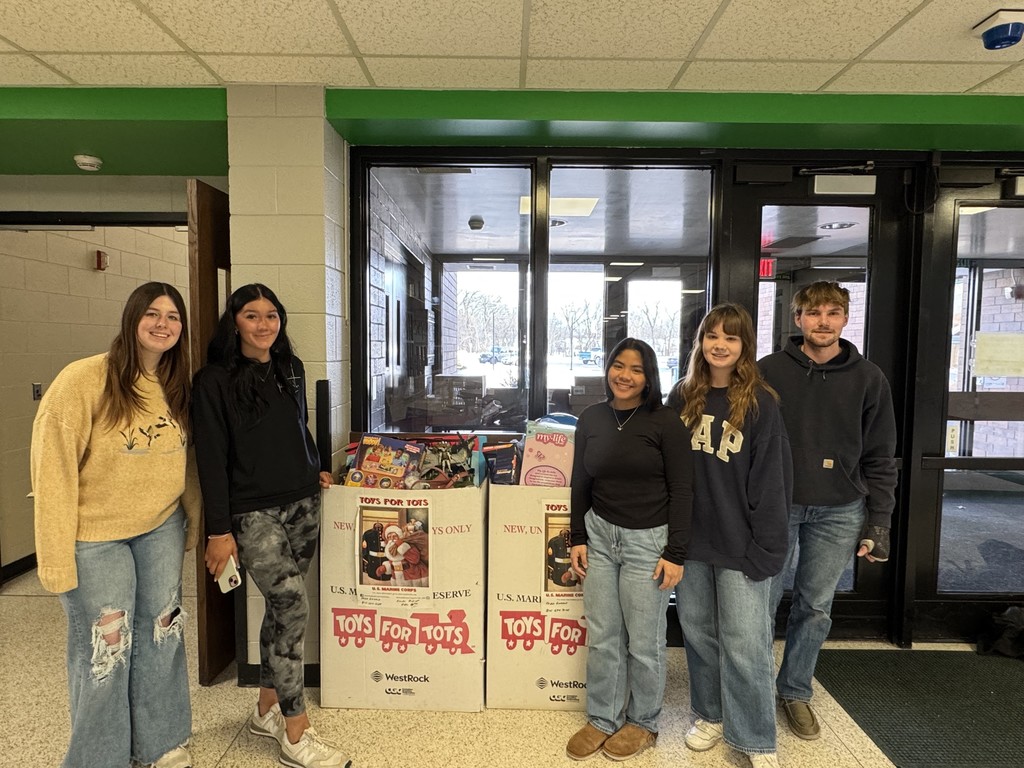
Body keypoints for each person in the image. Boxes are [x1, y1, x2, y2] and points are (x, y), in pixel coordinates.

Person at [31, 282, 199, 768]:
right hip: (94, 538)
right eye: (152, 314)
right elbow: (53, 471)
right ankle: (99, 758)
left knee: (162, 634)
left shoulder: (175, 382)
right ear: (131, 319)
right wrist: (55, 557)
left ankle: (160, 743)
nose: (162, 324)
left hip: (160, 528)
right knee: (106, 649)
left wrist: (193, 522)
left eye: (172, 316)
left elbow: (185, 462)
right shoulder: (83, 379)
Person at [191, 283, 351, 768]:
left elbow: (294, 428)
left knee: (282, 610)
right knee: (291, 605)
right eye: (252, 316)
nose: (264, 325)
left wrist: (314, 465)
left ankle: (265, 709)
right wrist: (219, 531)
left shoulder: (290, 368)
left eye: (272, 315)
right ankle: (296, 733)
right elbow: (211, 461)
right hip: (252, 512)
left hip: (302, 503)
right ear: (233, 322)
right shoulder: (213, 380)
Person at [760, 281, 897, 741]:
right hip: (775, 506)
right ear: (797, 319)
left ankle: (794, 690)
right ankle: (754, 688)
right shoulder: (766, 372)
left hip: (839, 510)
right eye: (813, 312)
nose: (823, 321)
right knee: (757, 604)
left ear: (844, 318)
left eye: (833, 312)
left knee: (815, 607)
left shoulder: (869, 377)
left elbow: (880, 456)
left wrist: (878, 520)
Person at [667, 303, 791, 768]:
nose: (719, 344)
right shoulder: (681, 397)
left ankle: (757, 738)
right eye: (711, 335)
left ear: (744, 347)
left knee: (745, 643)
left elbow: (772, 481)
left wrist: (767, 547)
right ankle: (711, 714)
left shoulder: (761, 402)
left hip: (742, 545)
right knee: (699, 634)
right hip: (691, 544)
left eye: (731, 337)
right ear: (700, 342)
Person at [566, 337, 693, 762]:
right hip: (600, 536)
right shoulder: (592, 418)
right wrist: (577, 537)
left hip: (648, 542)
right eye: (618, 366)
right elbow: (581, 481)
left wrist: (676, 553)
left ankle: (644, 722)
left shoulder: (665, 422)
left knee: (644, 641)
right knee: (603, 636)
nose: (625, 375)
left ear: (649, 377)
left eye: (636, 369)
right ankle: (602, 718)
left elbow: (683, 489)